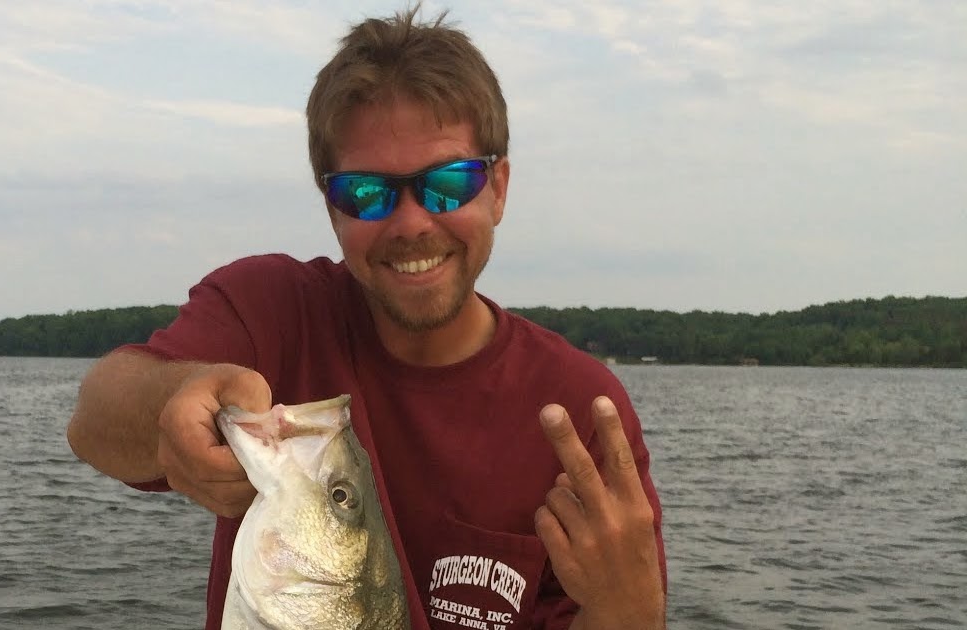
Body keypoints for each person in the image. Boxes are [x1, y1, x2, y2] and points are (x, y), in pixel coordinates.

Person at [67, 6, 666, 629]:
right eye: (366, 192)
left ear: (498, 188)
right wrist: (176, 399)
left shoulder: (581, 413)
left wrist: (627, 608)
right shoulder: (270, 311)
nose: (411, 223)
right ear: (333, 209)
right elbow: (92, 422)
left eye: (449, 182)